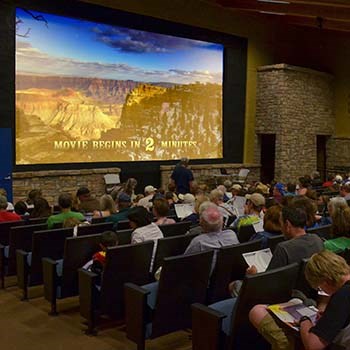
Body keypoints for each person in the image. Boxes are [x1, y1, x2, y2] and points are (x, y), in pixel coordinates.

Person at [249, 250, 350, 350]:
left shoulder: (343, 295)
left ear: (325, 281)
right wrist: (329, 316)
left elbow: (313, 346)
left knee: (257, 311)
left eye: (319, 288)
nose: (323, 291)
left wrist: (304, 321)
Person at [184, 206, 239, 271]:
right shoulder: (231, 235)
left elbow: (185, 263)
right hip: (230, 275)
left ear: (201, 223)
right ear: (222, 223)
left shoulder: (198, 242)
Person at [128, 206, 164, 271]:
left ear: (136, 221)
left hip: (146, 269)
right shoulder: (154, 226)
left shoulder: (137, 233)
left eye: (130, 221)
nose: (129, 223)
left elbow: (136, 256)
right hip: (159, 265)